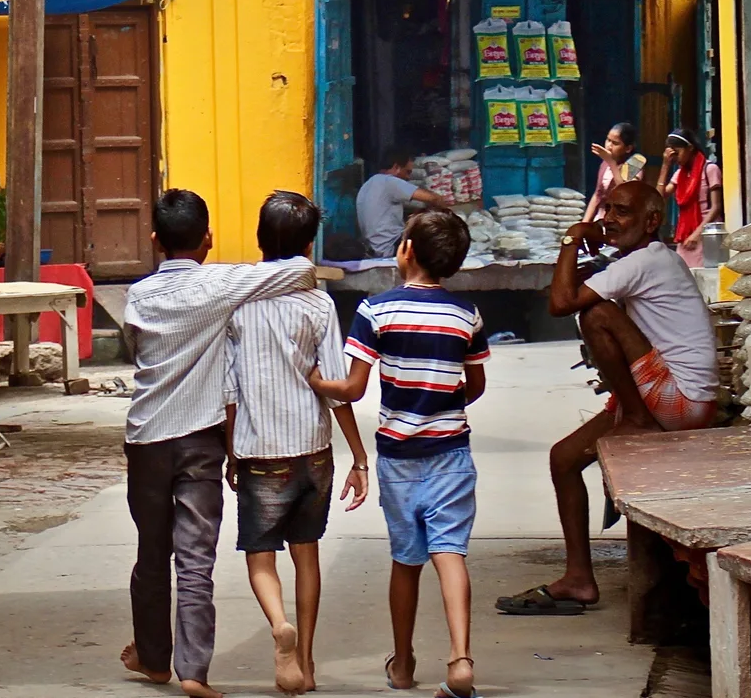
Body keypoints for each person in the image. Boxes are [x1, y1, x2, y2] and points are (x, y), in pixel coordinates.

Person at [121, 189, 318, 698]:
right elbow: (299, 271)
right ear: (208, 238)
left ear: (154, 241)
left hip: (146, 439)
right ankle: (194, 671)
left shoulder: (138, 295)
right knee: (195, 559)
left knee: (151, 552)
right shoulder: (222, 284)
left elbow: (134, 345)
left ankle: (153, 656)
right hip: (200, 441)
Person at [497, 181, 718, 616]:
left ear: (652, 221)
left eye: (622, 213)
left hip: (681, 402)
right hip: (663, 394)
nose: (609, 221)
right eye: (608, 211)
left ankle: (634, 417)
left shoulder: (648, 261)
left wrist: (572, 237)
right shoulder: (637, 260)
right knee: (563, 458)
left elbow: (563, 303)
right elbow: (562, 287)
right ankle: (579, 578)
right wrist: (579, 253)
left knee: (597, 313)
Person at [309, 209, 488, 698]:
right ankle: (461, 659)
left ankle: (404, 663)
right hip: (452, 453)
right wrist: (441, 399)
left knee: (406, 561)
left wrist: (314, 380)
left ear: (405, 249)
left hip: (399, 459)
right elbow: (476, 384)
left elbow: (351, 387)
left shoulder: (376, 310)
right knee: (450, 553)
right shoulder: (465, 315)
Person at [224, 192, 370, 695]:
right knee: (306, 554)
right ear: (309, 245)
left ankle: (278, 625)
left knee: (260, 555)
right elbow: (335, 386)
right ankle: (305, 663)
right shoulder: (319, 304)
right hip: (313, 450)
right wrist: (359, 455)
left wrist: (230, 450)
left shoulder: (238, 306)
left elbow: (230, 391)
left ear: (260, 241)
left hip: (260, 449)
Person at [356, 148, 449, 258]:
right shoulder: (389, 181)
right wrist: (450, 217)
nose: (408, 177)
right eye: (407, 172)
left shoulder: (367, 184)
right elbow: (433, 198)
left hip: (373, 248)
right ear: (396, 167)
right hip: (390, 247)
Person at [656, 129, 722, 268]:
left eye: (677, 152)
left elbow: (716, 207)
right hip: (686, 234)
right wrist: (665, 165)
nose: (675, 157)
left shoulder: (710, 169)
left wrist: (697, 234)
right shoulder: (680, 173)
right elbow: (660, 196)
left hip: (706, 233)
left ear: (690, 148)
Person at [582, 123, 647, 222]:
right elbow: (598, 194)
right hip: (602, 219)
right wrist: (584, 224)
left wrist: (611, 163)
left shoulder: (635, 163)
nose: (609, 146)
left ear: (628, 148)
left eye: (615, 143)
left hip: (623, 222)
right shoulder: (605, 163)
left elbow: (625, 193)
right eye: (608, 140)